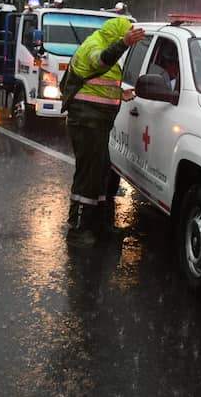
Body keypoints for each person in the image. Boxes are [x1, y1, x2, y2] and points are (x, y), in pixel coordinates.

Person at [63, 17, 145, 247]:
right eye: (126, 33)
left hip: (97, 123)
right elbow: (100, 62)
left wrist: (120, 94)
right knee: (88, 176)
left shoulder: (107, 48)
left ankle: (99, 225)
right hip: (86, 123)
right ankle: (78, 229)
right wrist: (124, 44)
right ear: (117, 34)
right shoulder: (93, 45)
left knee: (100, 175)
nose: (130, 36)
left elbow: (96, 85)